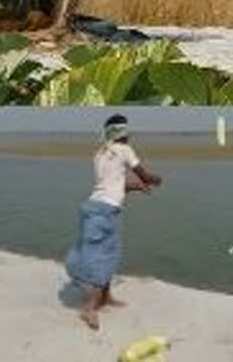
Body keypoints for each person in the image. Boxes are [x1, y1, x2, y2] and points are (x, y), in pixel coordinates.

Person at [65, 114, 162, 330]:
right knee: (105, 257)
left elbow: (112, 184)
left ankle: (106, 297)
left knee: (108, 254)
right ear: (124, 135)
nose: (129, 139)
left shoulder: (100, 153)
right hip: (105, 214)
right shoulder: (125, 150)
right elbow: (145, 176)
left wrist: (135, 187)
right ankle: (89, 308)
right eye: (127, 135)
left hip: (93, 208)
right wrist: (154, 180)